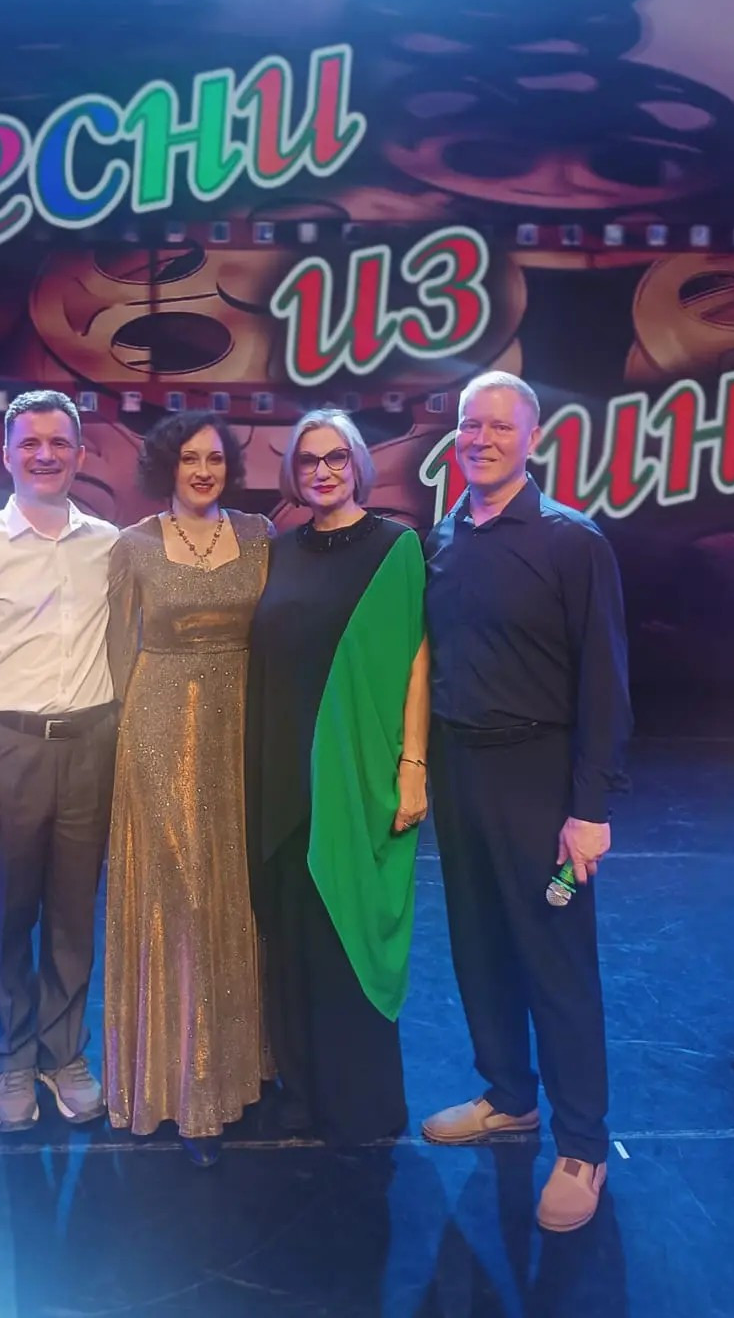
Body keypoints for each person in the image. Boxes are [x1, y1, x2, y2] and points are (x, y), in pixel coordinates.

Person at [422, 370, 631, 1234]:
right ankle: (510, 1095)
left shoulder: (572, 542)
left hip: (539, 778)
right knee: (479, 947)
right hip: (458, 773)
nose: (480, 439)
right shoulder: (442, 535)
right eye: (469, 424)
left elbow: (606, 683)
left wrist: (589, 808)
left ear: (533, 438)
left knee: (557, 962)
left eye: (499, 426)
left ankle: (582, 1145)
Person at [0, 389, 118, 1132]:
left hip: (90, 747)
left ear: (80, 454)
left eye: (59, 442)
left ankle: (65, 1056)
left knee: (73, 917)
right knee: (9, 918)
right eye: (30, 442)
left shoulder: (110, 544)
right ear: (5, 453)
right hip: (6, 751)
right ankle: (14, 1057)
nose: (45, 455)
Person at [246, 409, 429, 1146]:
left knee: (346, 935)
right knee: (291, 940)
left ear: (358, 464)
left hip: (354, 778)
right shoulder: (278, 550)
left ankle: (360, 1103)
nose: (322, 471)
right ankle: (300, 1093)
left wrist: (413, 765)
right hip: (280, 774)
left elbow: (417, 661)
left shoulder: (396, 548)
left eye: (336, 458)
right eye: (308, 460)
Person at [103, 411, 272, 1167]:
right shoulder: (133, 545)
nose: (203, 470)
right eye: (189, 458)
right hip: (158, 727)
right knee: (181, 895)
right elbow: (116, 654)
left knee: (236, 890)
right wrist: (121, 752)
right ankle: (179, 1084)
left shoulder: (261, 535)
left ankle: (240, 1067)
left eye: (215, 458)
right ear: (166, 466)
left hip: (243, 729)